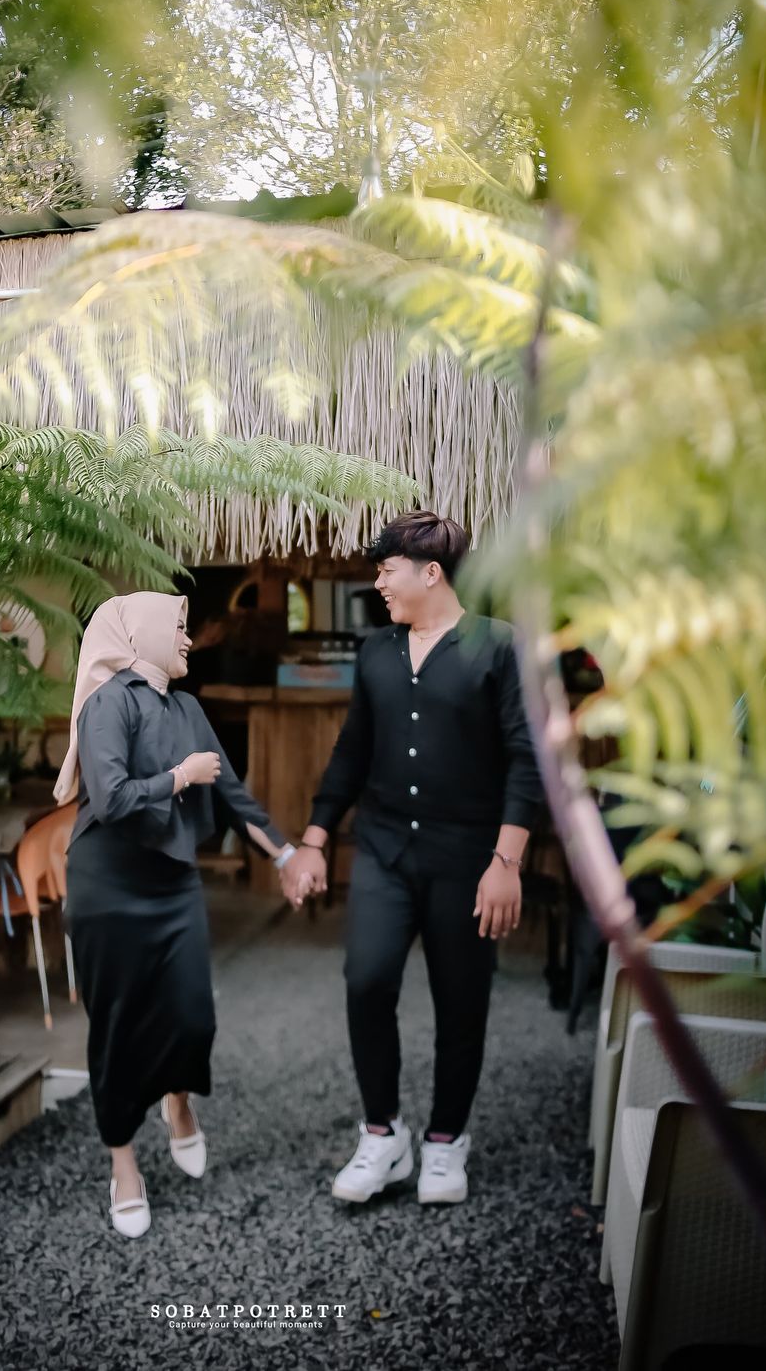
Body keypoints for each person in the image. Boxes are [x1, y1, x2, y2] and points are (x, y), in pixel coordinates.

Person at [281, 511, 542, 1207]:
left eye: (386, 570)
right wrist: (315, 839)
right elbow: (352, 750)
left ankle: (446, 1141)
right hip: (384, 850)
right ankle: (383, 1134)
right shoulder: (376, 651)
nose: (378, 583)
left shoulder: (500, 647)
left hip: (468, 858)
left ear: (431, 573)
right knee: (366, 981)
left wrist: (507, 861)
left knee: (461, 1000)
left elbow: (527, 758)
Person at [54, 592, 298, 1238]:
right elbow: (110, 799)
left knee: (193, 1014)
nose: (189, 640)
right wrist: (179, 777)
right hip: (108, 888)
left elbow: (233, 794)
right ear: (144, 635)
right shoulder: (108, 703)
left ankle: (178, 1100)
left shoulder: (189, 709)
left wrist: (287, 855)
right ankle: (123, 1165)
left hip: (172, 885)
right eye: (181, 628)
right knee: (117, 1030)